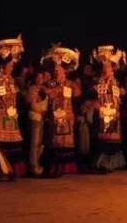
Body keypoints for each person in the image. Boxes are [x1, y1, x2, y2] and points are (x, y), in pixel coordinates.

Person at [0, 35, 27, 179]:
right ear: (3, 66)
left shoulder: (12, 80)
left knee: (13, 144)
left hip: (11, 117)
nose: (12, 67)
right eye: (10, 65)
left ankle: (12, 169)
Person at [36, 45, 82, 177]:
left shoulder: (70, 83)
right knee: (54, 142)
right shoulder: (49, 84)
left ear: (64, 72)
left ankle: (68, 168)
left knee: (67, 143)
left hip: (68, 116)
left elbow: (78, 94)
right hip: (54, 117)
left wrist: (70, 85)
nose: (57, 73)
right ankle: (54, 168)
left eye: (59, 71)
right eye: (55, 71)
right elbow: (45, 93)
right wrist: (56, 89)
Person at [86, 45, 127, 172]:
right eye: (105, 68)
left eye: (109, 68)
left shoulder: (116, 84)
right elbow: (90, 96)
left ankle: (112, 164)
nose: (107, 70)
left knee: (113, 141)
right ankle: (101, 164)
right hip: (101, 115)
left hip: (114, 114)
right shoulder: (97, 83)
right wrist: (95, 104)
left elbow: (121, 97)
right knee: (102, 139)